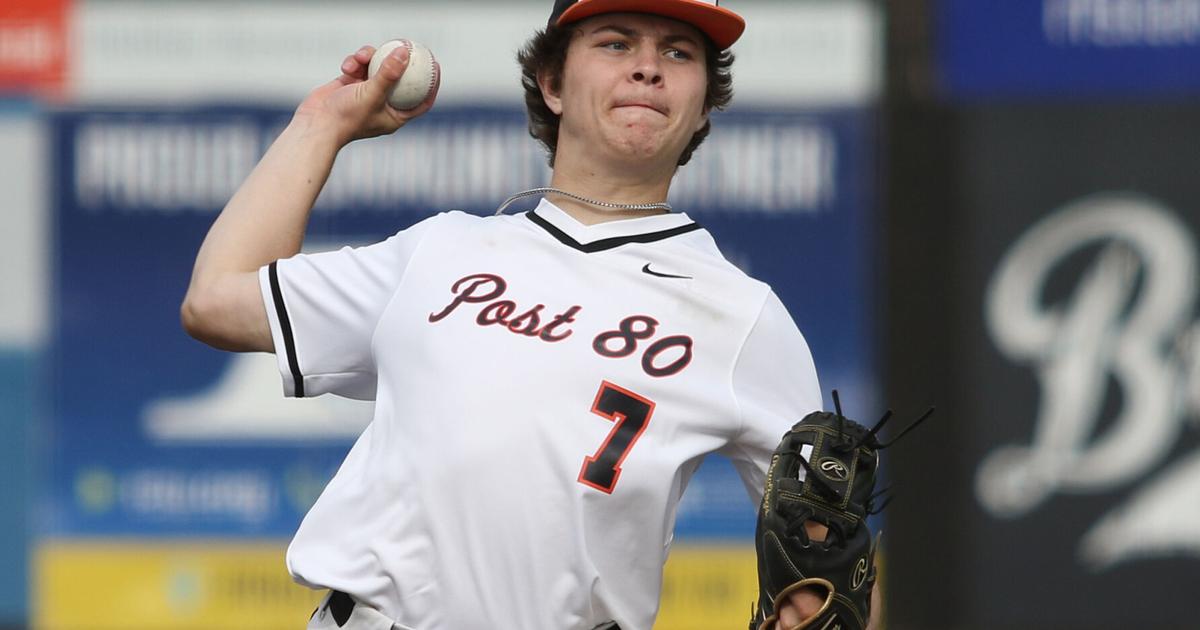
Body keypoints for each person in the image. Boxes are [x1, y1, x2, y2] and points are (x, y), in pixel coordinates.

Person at [182, 1, 842, 628]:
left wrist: (821, 599)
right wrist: (321, 123)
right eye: (615, 42)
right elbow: (216, 301)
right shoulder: (441, 250)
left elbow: (830, 571)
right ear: (551, 83)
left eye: (678, 51)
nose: (648, 66)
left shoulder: (742, 317)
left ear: (701, 107)